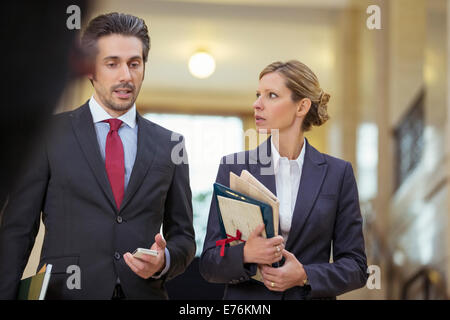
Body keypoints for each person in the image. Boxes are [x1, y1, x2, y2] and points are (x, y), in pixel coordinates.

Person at [0, 12, 195, 300]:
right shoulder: (47, 135)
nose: (125, 76)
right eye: (112, 63)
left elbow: (184, 237)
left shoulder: (170, 145)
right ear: (90, 68)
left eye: (134, 64)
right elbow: (17, 231)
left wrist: (163, 261)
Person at [200, 60, 368, 299]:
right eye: (258, 95)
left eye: (271, 95)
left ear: (301, 107)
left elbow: (356, 266)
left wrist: (304, 275)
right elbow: (209, 263)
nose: (257, 104)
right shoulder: (234, 167)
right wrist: (246, 253)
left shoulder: (337, 173)